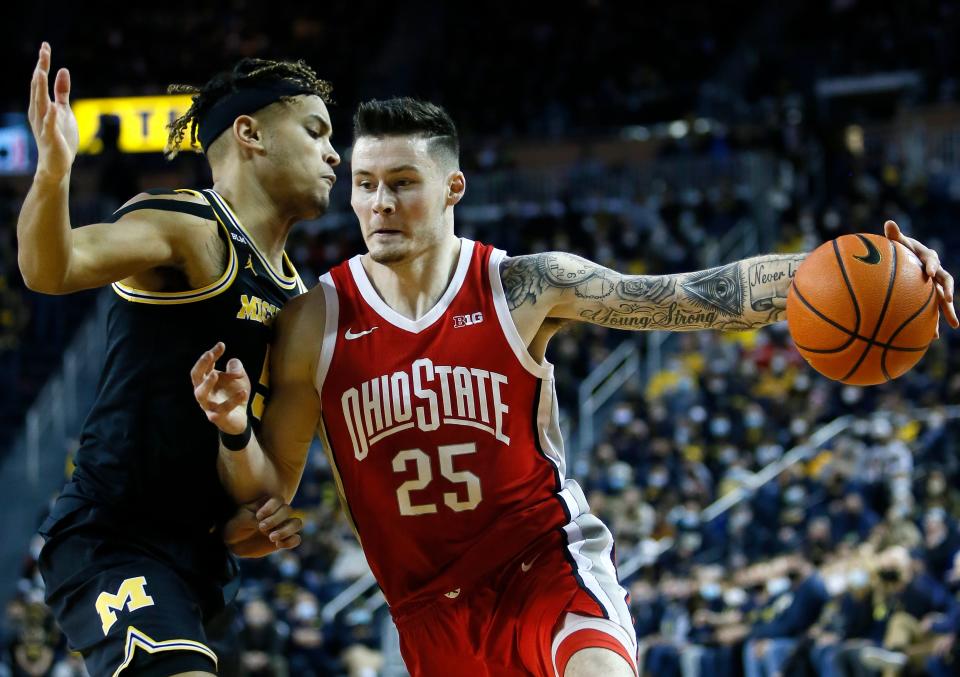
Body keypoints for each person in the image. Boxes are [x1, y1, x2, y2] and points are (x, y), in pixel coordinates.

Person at [191, 98, 956, 676]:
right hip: (427, 617)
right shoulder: (312, 320)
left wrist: (846, 267)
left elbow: (693, 293)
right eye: (364, 185)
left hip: (546, 571)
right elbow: (267, 506)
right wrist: (232, 430)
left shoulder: (524, 285)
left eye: (402, 183)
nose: (380, 204)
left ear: (452, 186)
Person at [17, 42, 339, 677]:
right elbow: (50, 269)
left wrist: (236, 432)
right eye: (315, 130)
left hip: (201, 566)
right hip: (113, 536)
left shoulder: (303, 306)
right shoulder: (191, 226)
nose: (334, 153)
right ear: (250, 134)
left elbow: (265, 497)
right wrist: (54, 173)